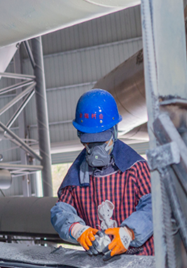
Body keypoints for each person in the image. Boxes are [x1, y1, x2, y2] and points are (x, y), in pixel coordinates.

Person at [50, 89, 154, 256]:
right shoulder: (76, 175)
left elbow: (155, 206)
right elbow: (60, 212)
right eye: (90, 142)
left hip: (141, 264)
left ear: (114, 132)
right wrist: (77, 230)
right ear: (81, 136)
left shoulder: (136, 168)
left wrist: (129, 233)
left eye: (102, 140)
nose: (97, 150)